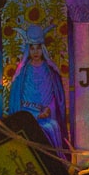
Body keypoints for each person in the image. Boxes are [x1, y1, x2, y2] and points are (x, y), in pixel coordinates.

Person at [7, 24, 68, 153]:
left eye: (38, 48)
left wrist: (48, 110)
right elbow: (18, 102)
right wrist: (35, 114)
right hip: (29, 115)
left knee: (53, 126)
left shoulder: (50, 70)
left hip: (48, 115)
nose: (35, 52)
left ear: (43, 49)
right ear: (28, 50)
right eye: (32, 48)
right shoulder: (23, 72)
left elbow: (56, 98)